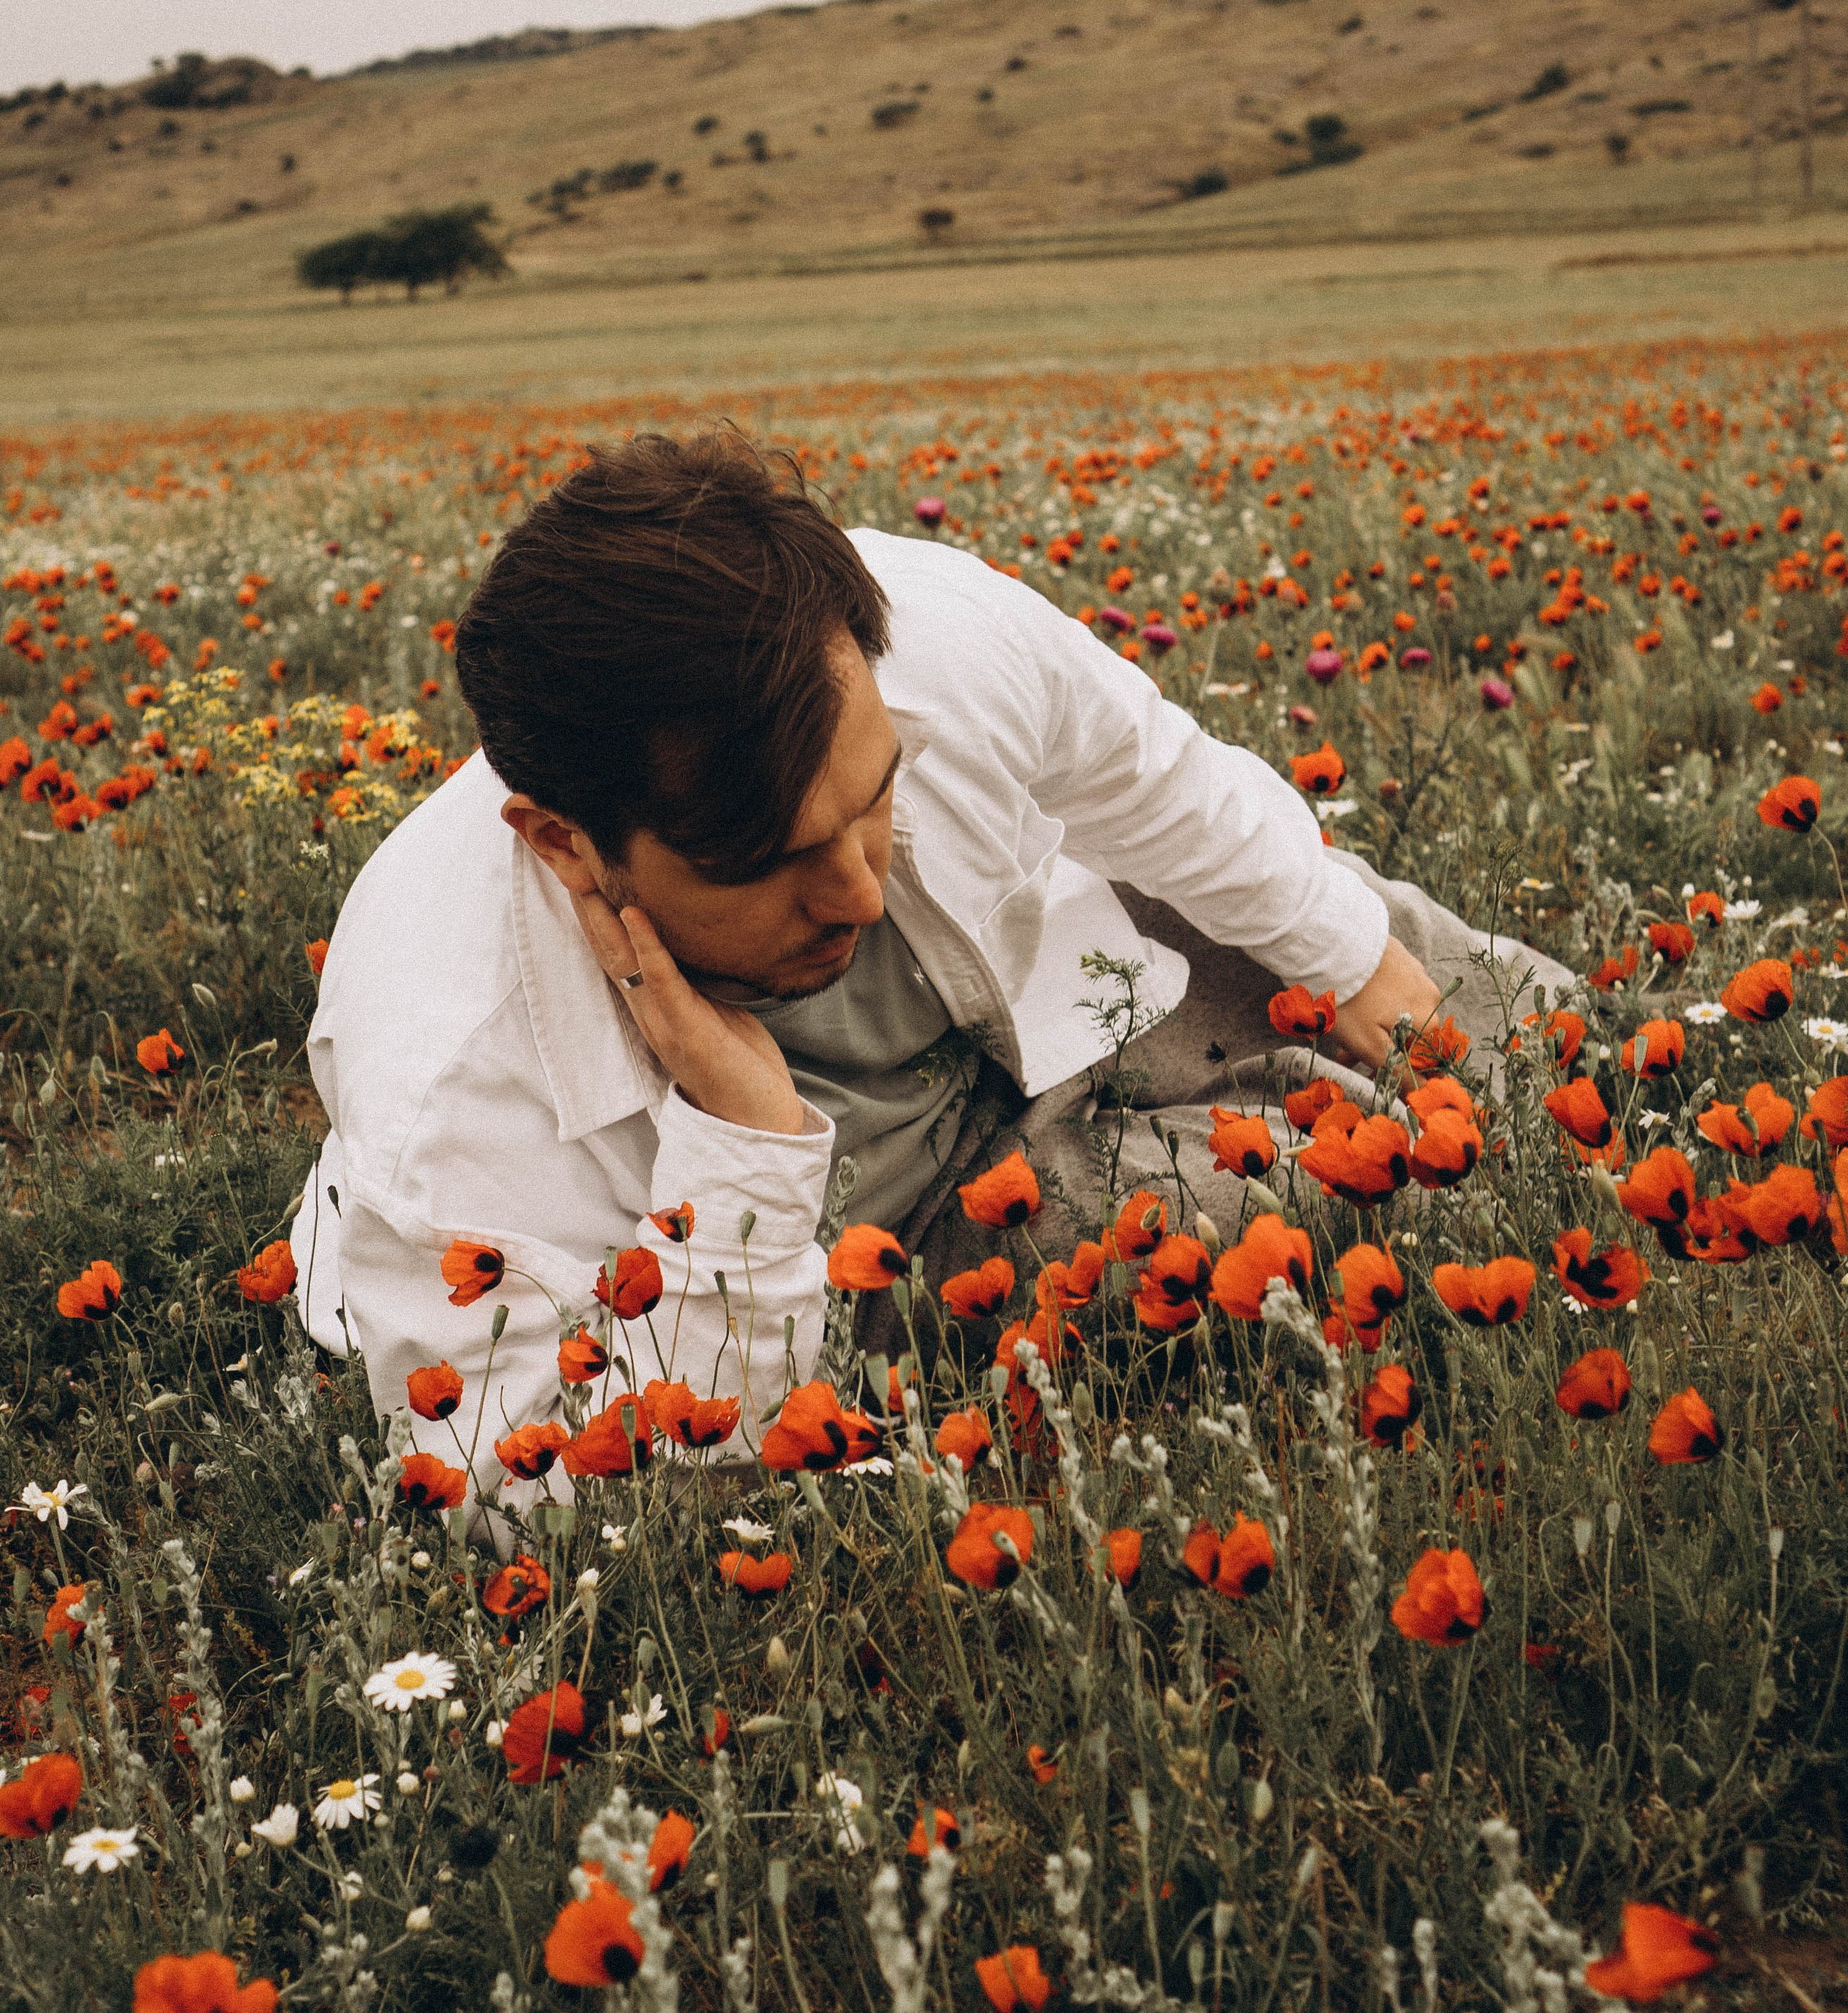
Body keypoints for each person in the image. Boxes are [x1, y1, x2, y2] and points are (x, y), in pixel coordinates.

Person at [290, 430, 1572, 1518]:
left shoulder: (933, 632)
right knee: (1317, 1189)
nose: (856, 891)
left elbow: (1159, 785)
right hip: (888, 1237)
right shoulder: (448, 1078)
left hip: (1042, 1001)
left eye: (876, 794)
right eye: (772, 861)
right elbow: (548, 1498)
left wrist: (1364, 972)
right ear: (566, 842)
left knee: (1509, 1020)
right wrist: (744, 1142)